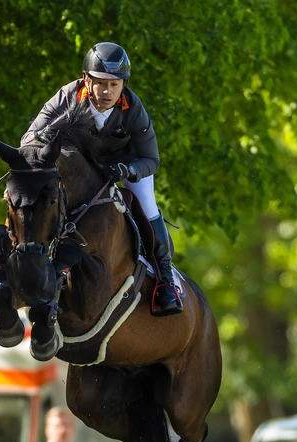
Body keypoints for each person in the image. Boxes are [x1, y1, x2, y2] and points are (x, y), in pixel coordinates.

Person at [19, 42, 182, 316]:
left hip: (123, 167)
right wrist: (45, 137)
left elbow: (151, 160)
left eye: (115, 84)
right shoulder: (67, 97)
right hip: (79, 169)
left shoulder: (133, 109)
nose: (107, 92)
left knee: (148, 206)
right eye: (101, 83)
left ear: (123, 84)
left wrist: (126, 171)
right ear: (86, 80)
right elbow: (27, 140)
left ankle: (165, 280)